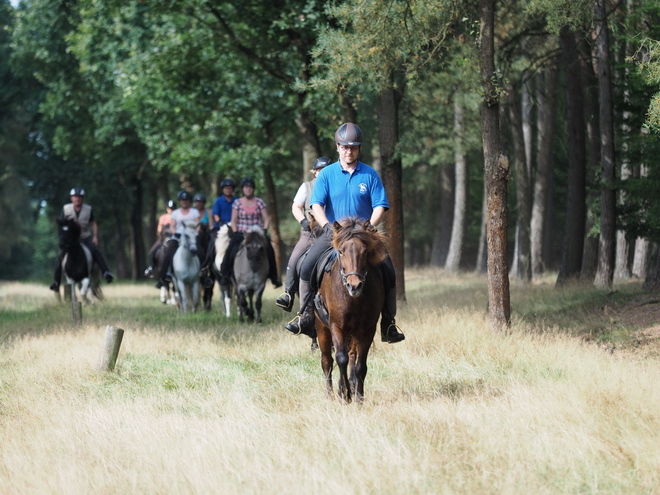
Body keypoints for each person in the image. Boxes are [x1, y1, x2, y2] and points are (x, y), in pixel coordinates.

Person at [284, 123, 405, 344]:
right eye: (345, 147)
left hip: (363, 235)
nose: (349, 151)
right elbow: (316, 204)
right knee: (307, 265)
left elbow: (380, 205)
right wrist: (328, 226)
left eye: (353, 147)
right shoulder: (327, 174)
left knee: (388, 270)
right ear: (338, 148)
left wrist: (370, 224)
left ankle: (388, 323)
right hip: (335, 234)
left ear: (359, 149)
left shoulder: (369, 174)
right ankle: (305, 315)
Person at [275, 156, 331, 312]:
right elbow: (296, 207)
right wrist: (303, 222)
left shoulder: (335, 186)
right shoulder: (306, 187)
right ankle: (288, 293)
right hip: (312, 233)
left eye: (326, 170)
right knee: (294, 259)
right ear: (314, 172)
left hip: (332, 233)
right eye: (320, 170)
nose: (323, 173)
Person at [218, 177, 281, 288]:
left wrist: (264, 230)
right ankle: (225, 275)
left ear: (253, 189)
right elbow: (234, 220)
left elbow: (266, 219)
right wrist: (235, 231)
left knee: (270, 249)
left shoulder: (259, 202)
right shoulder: (237, 203)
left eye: (250, 187)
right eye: (246, 187)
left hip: (257, 233)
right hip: (242, 232)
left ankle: (274, 277)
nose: (248, 189)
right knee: (231, 249)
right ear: (243, 189)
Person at [50, 187, 114, 291]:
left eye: (79, 197)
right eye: (75, 197)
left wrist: (95, 236)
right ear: (71, 198)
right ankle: (56, 282)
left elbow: (93, 223)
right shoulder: (66, 209)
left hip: (84, 237)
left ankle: (106, 272)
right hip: (71, 240)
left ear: (82, 198)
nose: (77, 199)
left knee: (95, 251)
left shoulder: (88, 209)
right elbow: (61, 224)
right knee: (59, 257)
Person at [156, 190, 202, 289]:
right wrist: (175, 233)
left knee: (201, 251)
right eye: (182, 200)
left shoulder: (194, 212)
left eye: (186, 200)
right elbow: (173, 226)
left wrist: (195, 233)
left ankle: (203, 271)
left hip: (191, 236)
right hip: (179, 236)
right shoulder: (176, 213)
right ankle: (165, 275)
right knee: (168, 252)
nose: (184, 202)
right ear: (180, 201)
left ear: (189, 201)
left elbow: (198, 225)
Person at [200, 179, 237, 287]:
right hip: (220, 228)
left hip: (234, 228)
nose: (228, 190)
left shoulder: (237, 201)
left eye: (230, 188)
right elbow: (215, 214)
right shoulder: (218, 201)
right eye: (226, 188)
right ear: (223, 190)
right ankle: (205, 266)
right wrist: (220, 223)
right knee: (212, 243)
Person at [144, 199, 175, 278]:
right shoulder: (163, 218)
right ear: (167, 208)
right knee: (152, 251)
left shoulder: (177, 217)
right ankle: (151, 267)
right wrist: (160, 237)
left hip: (174, 239)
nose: (171, 210)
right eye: (169, 208)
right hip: (164, 238)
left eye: (172, 208)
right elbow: (159, 230)